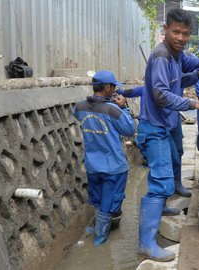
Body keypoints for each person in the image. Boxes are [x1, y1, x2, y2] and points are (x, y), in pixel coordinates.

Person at [136, 8, 199, 262]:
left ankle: (161, 203)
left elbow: (191, 64)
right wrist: (194, 104)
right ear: (164, 30)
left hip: (167, 124)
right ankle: (146, 243)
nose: (180, 37)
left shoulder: (177, 55)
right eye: (175, 32)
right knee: (161, 180)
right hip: (154, 127)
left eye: (185, 34)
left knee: (172, 164)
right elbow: (160, 94)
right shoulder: (160, 57)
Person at [72, 70, 136, 246]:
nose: (115, 90)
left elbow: (75, 113)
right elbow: (130, 130)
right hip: (113, 166)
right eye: (114, 87)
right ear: (107, 87)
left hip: (93, 165)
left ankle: (98, 226)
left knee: (100, 200)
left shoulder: (80, 106)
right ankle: (99, 241)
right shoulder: (113, 110)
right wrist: (125, 108)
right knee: (110, 202)